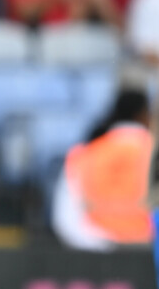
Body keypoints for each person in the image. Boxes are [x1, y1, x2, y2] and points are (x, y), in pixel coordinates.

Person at [52, 88, 154, 251]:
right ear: (144, 115)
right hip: (149, 250)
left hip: (98, 252)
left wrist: (105, 246)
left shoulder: (85, 154)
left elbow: (66, 219)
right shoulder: (153, 152)